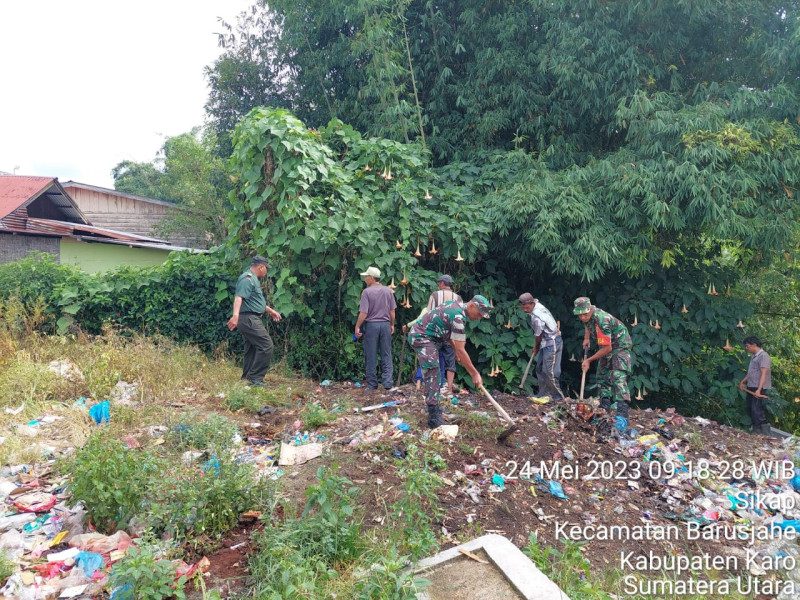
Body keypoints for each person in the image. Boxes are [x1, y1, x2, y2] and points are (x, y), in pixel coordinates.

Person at [408, 296, 491, 428]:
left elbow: (449, 336)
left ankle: (434, 409)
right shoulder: (458, 317)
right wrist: (475, 374)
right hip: (421, 336)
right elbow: (461, 349)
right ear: (472, 306)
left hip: (430, 337)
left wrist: (456, 350)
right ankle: (433, 417)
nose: (479, 317)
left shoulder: (456, 305)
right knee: (433, 372)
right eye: (479, 313)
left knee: (435, 373)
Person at [226, 256, 282, 386]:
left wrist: (271, 311)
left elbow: (255, 301)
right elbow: (238, 298)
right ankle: (255, 378)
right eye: (266, 269)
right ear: (261, 267)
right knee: (266, 345)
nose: (266, 272)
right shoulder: (247, 279)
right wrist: (235, 316)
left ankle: (247, 378)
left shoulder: (254, 280)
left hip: (251, 318)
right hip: (248, 318)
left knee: (252, 348)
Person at [573, 297, 632, 418]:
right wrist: (587, 338)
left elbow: (608, 348)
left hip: (620, 345)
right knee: (601, 374)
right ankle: (605, 405)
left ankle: (622, 410)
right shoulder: (588, 315)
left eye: (585, 314)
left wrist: (588, 360)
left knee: (617, 375)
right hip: (607, 345)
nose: (583, 317)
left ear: (590, 309)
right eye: (580, 315)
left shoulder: (602, 320)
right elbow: (587, 324)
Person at [354, 266, 397, 390]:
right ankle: (388, 383)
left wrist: (357, 326)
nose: (365, 279)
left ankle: (372, 384)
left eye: (366, 277)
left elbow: (363, 313)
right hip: (385, 325)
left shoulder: (366, 292)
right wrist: (392, 324)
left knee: (371, 354)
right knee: (386, 353)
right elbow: (392, 311)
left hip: (371, 326)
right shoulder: (388, 291)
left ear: (371, 278)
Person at [518, 293, 565, 403]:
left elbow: (538, 336)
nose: (525, 310)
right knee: (539, 368)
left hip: (552, 342)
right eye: (523, 308)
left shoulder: (537, 317)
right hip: (546, 341)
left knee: (549, 371)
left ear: (531, 303)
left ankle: (558, 398)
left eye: (527, 307)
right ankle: (543, 394)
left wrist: (536, 347)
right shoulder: (537, 305)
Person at [427, 275, 463, 398]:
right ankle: (449, 389)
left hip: (436, 333)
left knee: (433, 361)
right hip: (451, 334)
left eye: (439, 283)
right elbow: (459, 317)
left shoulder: (435, 295)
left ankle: (433, 388)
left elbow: (429, 314)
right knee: (450, 361)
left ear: (442, 283)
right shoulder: (458, 298)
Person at [738, 336, 772, 435]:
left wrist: (759, 389)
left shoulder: (763, 356)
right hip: (751, 386)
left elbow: (764, 373)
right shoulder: (754, 356)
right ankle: (756, 430)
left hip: (759, 387)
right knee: (750, 408)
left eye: (747, 346)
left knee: (757, 410)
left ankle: (764, 432)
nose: (746, 348)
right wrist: (742, 382)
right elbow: (751, 373)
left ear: (754, 345)